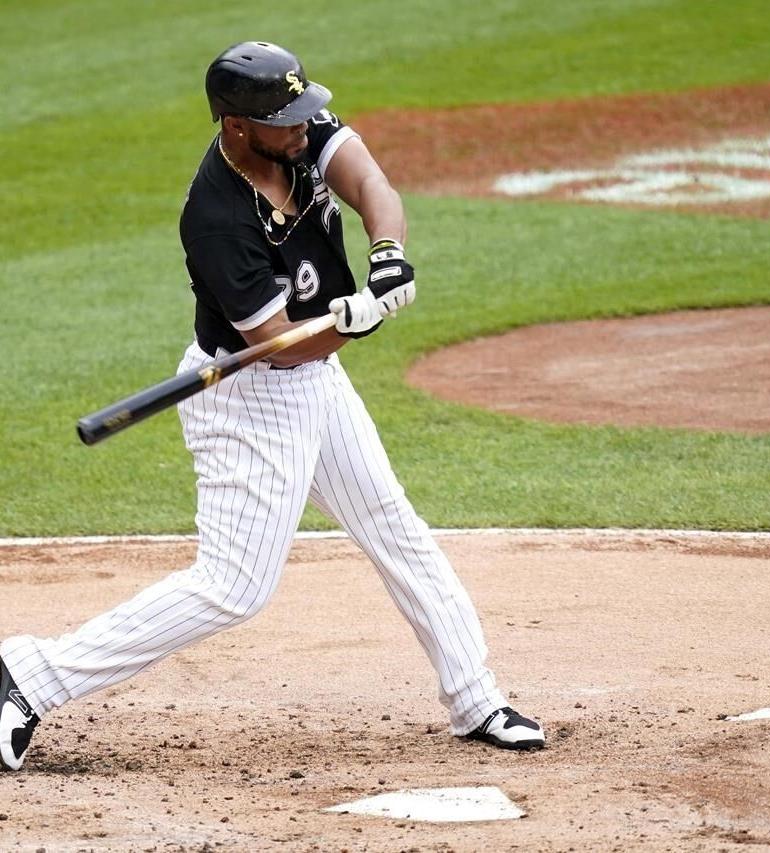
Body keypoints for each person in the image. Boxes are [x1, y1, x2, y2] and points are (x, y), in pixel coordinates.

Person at [0, 41, 544, 772]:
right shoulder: (216, 218)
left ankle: (474, 697)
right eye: (285, 122)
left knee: (391, 522)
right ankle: (28, 676)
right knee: (232, 588)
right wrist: (358, 321)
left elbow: (370, 180)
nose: (303, 128)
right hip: (250, 393)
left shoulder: (296, 127)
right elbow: (281, 345)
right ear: (235, 127)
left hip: (312, 377)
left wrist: (386, 254)